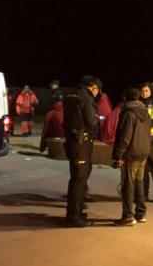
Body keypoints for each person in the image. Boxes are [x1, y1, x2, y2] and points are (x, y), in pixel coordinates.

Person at [62, 75, 102, 227]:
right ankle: (74, 216)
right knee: (80, 179)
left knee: (75, 178)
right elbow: (91, 121)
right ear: (94, 87)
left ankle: (74, 211)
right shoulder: (86, 98)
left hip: (71, 140)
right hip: (81, 142)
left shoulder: (70, 95)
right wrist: (98, 119)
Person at [112, 87, 151, 226]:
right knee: (139, 183)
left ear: (125, 98)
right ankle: (141, 213)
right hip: (143, 151)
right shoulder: (144, 111)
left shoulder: (128, 113)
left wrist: (118, 155)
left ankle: (128, 216)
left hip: (132, 153)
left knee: (128, 185)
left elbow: (125, 137)